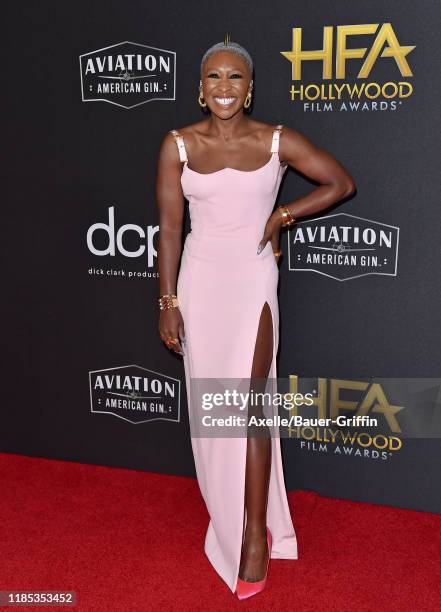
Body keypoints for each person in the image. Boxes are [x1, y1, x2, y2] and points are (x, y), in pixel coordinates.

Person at [156, 36, 355, 600]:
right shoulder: (177, 145)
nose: (224, 87)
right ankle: (233, 513)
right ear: (200, 88)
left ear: (250, 88)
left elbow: (340, 182)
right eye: (214, 77)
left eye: (235, 77)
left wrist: (283, 215)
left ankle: (252, 540)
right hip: (200, 280)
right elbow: (170, 230)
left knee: (249, 403)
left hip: (252, 279)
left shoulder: (276, 140)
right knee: (213, 408)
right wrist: (168, 301)